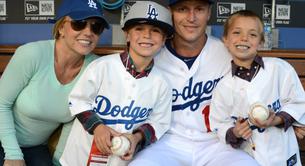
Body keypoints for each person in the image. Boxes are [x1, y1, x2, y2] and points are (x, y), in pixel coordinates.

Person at [129, 0, 260, 166]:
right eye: (183, 9)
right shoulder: (152, 55)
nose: (191, 18)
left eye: (199, 9)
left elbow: (262, 83)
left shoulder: (228, 53)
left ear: (209, 13)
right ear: (171, 12)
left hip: (218, 144)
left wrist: (288, 117)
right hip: (166, 143)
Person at [59, 1, 173, 166]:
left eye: (155, 31)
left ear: (164, 39)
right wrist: (97, 127)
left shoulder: (162, 83)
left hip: (122, 161)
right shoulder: (102, 66)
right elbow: (78, 101)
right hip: (79, 158)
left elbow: (159, 123)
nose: (147, 36)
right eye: (139, 29)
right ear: (127, 34)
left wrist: (136, 138)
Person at [0, 0, 109, 165]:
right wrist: (13, 155)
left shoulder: (95, 68)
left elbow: (75, 119)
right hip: (4, 140)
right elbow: (1, 104)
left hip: (36, 147)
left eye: (96, 27)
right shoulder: (32, 54)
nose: (88, 32)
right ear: (61, 27)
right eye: (78, 24)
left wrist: (59, 161)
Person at [209, 10, 305, 166]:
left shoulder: (279, 68)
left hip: (283, 152)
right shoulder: (223, 87)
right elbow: (219, 124)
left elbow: (299, 103)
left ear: (261, 42)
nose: (244, 38)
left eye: (252, 35)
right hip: (247, 157)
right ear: (225, 40)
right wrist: (235, 132)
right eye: (237, 32)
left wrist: (277, 119)